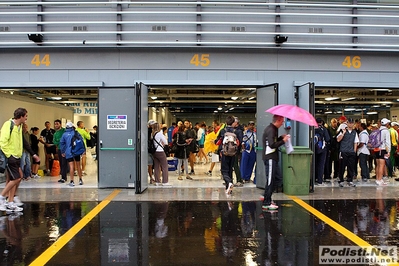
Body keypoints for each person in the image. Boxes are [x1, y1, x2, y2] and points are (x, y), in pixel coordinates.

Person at [0, 108, 40, 212]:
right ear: (21, 116)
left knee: (13, 179)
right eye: (26, 116)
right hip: (10, 157)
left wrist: (33, 154)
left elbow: (24, 142)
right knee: (17, 178)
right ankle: (2, 197)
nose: (26, 118)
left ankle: (10, 202)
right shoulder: (8, 125)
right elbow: (2, 142)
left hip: (17, 156)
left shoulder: (19, 126)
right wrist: (10, 155)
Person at [261, 115, 289, 210]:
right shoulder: (271, 130)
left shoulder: (273, 129)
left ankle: (266, 196)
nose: (283, 123)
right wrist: (283, 141)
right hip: (270, 158)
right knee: (271, 180)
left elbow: (272, 141)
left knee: (278, 179)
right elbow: (272, 144)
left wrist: (280, 138)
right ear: (278, 120)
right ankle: (266, 202)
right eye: (282, 121)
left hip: (273, 158)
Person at [216, 116, 243, 195]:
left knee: (224, 170)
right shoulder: (237, 131)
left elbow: (217, 141)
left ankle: (229, 182)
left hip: (224, 153)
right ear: (233, 122)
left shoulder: (222, 131)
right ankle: (229, 187)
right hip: (233, 154)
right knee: (230, 169)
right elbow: (240, 142)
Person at [59, 122, 83, 187]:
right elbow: (81, 141)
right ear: (72, 127)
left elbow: (62, 144)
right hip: (76, 151)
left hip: (69, 152)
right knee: (78, 165)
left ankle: (72, 181)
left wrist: (63, 152)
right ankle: (80, 180)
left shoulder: (64, 134)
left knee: (71, 166)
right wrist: (83, 150)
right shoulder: (76, 133)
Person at [337, 117, 358, 187]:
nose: (351, 124)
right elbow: (338, 140)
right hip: (343, 151)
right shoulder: (342, 130)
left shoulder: (354, 132)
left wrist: (354, 151)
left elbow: (355, 142)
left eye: (352, 123)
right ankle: (341, 180)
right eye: (349, 123)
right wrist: (343, 133)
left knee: (351, 166)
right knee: (342, 166)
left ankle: (350, 180)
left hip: (351, 151)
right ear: (347, 123)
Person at [374, 118, 391, 186]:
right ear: (386, 124)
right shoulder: (386, 131)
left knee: (378, 165)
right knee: (382, 165)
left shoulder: (378, 130)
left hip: (376, 149)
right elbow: (388, 142)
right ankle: (380, 180)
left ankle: (377, 179)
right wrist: (388, 151)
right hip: (382, 149)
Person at [315, 118, 330, 186]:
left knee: (314, 163)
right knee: (321, 164)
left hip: (314, 148)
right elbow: (327, 138)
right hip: (322, 149)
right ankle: (320, 180)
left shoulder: (313, 129)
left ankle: (314, 178)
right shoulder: (324, 129)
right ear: (321, 122)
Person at [232, 117, 244, 187]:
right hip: (233, 150)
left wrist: (238, 150)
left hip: (236, 151)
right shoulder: (235, 130)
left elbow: (240, 141)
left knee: (235, 165)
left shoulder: (239, 131)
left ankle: (239, 180)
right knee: (233, 165)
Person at [148, 120, 156, 184]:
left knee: (152, 164)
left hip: (153, 150)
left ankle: (152, 177)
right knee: (150, 164)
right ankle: (151, 178)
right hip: (149, 150)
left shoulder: (156, 132)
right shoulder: (148, 131)